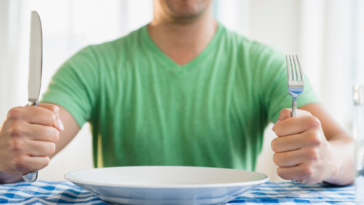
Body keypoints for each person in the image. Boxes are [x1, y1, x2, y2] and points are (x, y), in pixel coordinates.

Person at [0, 0, 353, 185]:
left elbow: (347, 150)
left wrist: (329, 160)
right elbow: (30, 149)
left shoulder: (266, 64)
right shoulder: (92, 64)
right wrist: (10, 158)